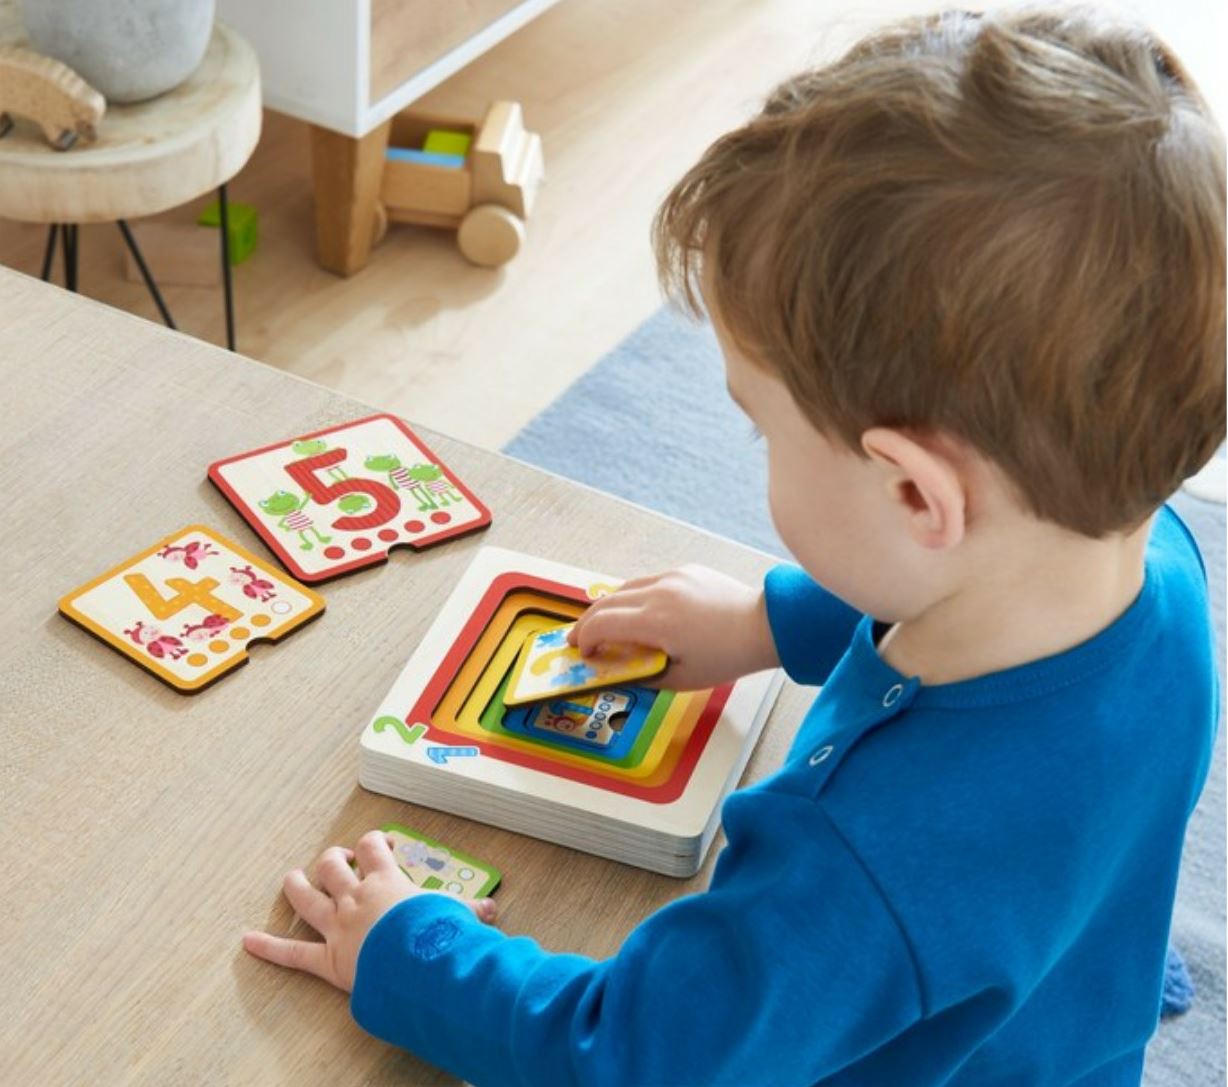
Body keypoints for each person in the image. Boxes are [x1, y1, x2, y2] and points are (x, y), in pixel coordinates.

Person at [243, 7, 1225, 1083]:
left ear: (912, 490)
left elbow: (633, 1054)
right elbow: (957, 582)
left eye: (760, 425)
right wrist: (769, 618)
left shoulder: (849, 864)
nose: (751, 442)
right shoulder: (1155, 569)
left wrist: (412, 948)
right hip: (1065, 1032)